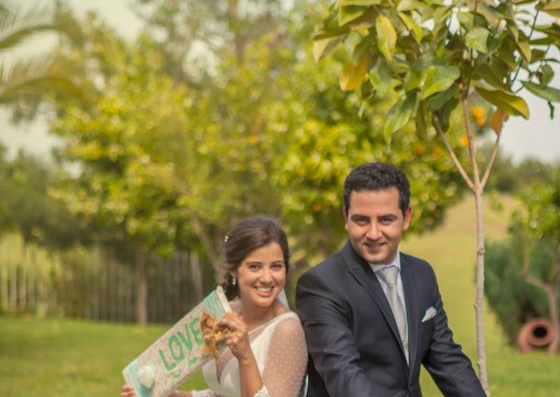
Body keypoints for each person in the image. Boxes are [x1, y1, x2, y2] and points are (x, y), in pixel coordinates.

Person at [295, 163, 486, 397]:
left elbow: (448, 361)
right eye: (361, 220)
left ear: (406, 217)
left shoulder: (422, 274)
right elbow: (343, 374)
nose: (374, 233)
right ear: (346, 217)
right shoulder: (320, 285)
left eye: (386, 220)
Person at [122, 216, 307, 397]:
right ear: (234, 269)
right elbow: (222, 393)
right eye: (255, 267)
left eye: (276, 266)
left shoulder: (287, 329)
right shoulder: (224, 314)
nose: (267, 278)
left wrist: (245, 356)